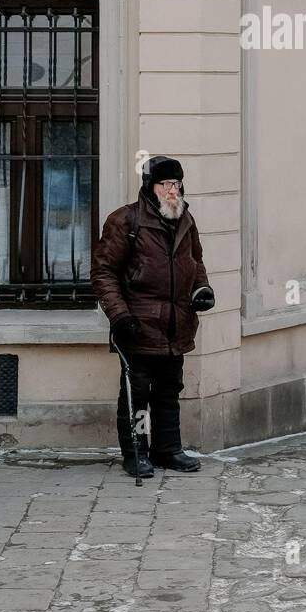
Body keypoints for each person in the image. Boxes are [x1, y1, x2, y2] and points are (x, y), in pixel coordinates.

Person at [91, 155, 216, 478]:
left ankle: (168, 449)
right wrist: (120, 316)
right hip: (138, 325)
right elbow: (103, 273)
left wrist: (202, 290)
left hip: (177, 324)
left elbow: (195, 261)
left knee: (169, 390)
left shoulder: (185, 218)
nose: (173, 190)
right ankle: (136, 453)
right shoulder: (125, 221)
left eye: (177, 184)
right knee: (137, 393)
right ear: (150, 187)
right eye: (166, 184)